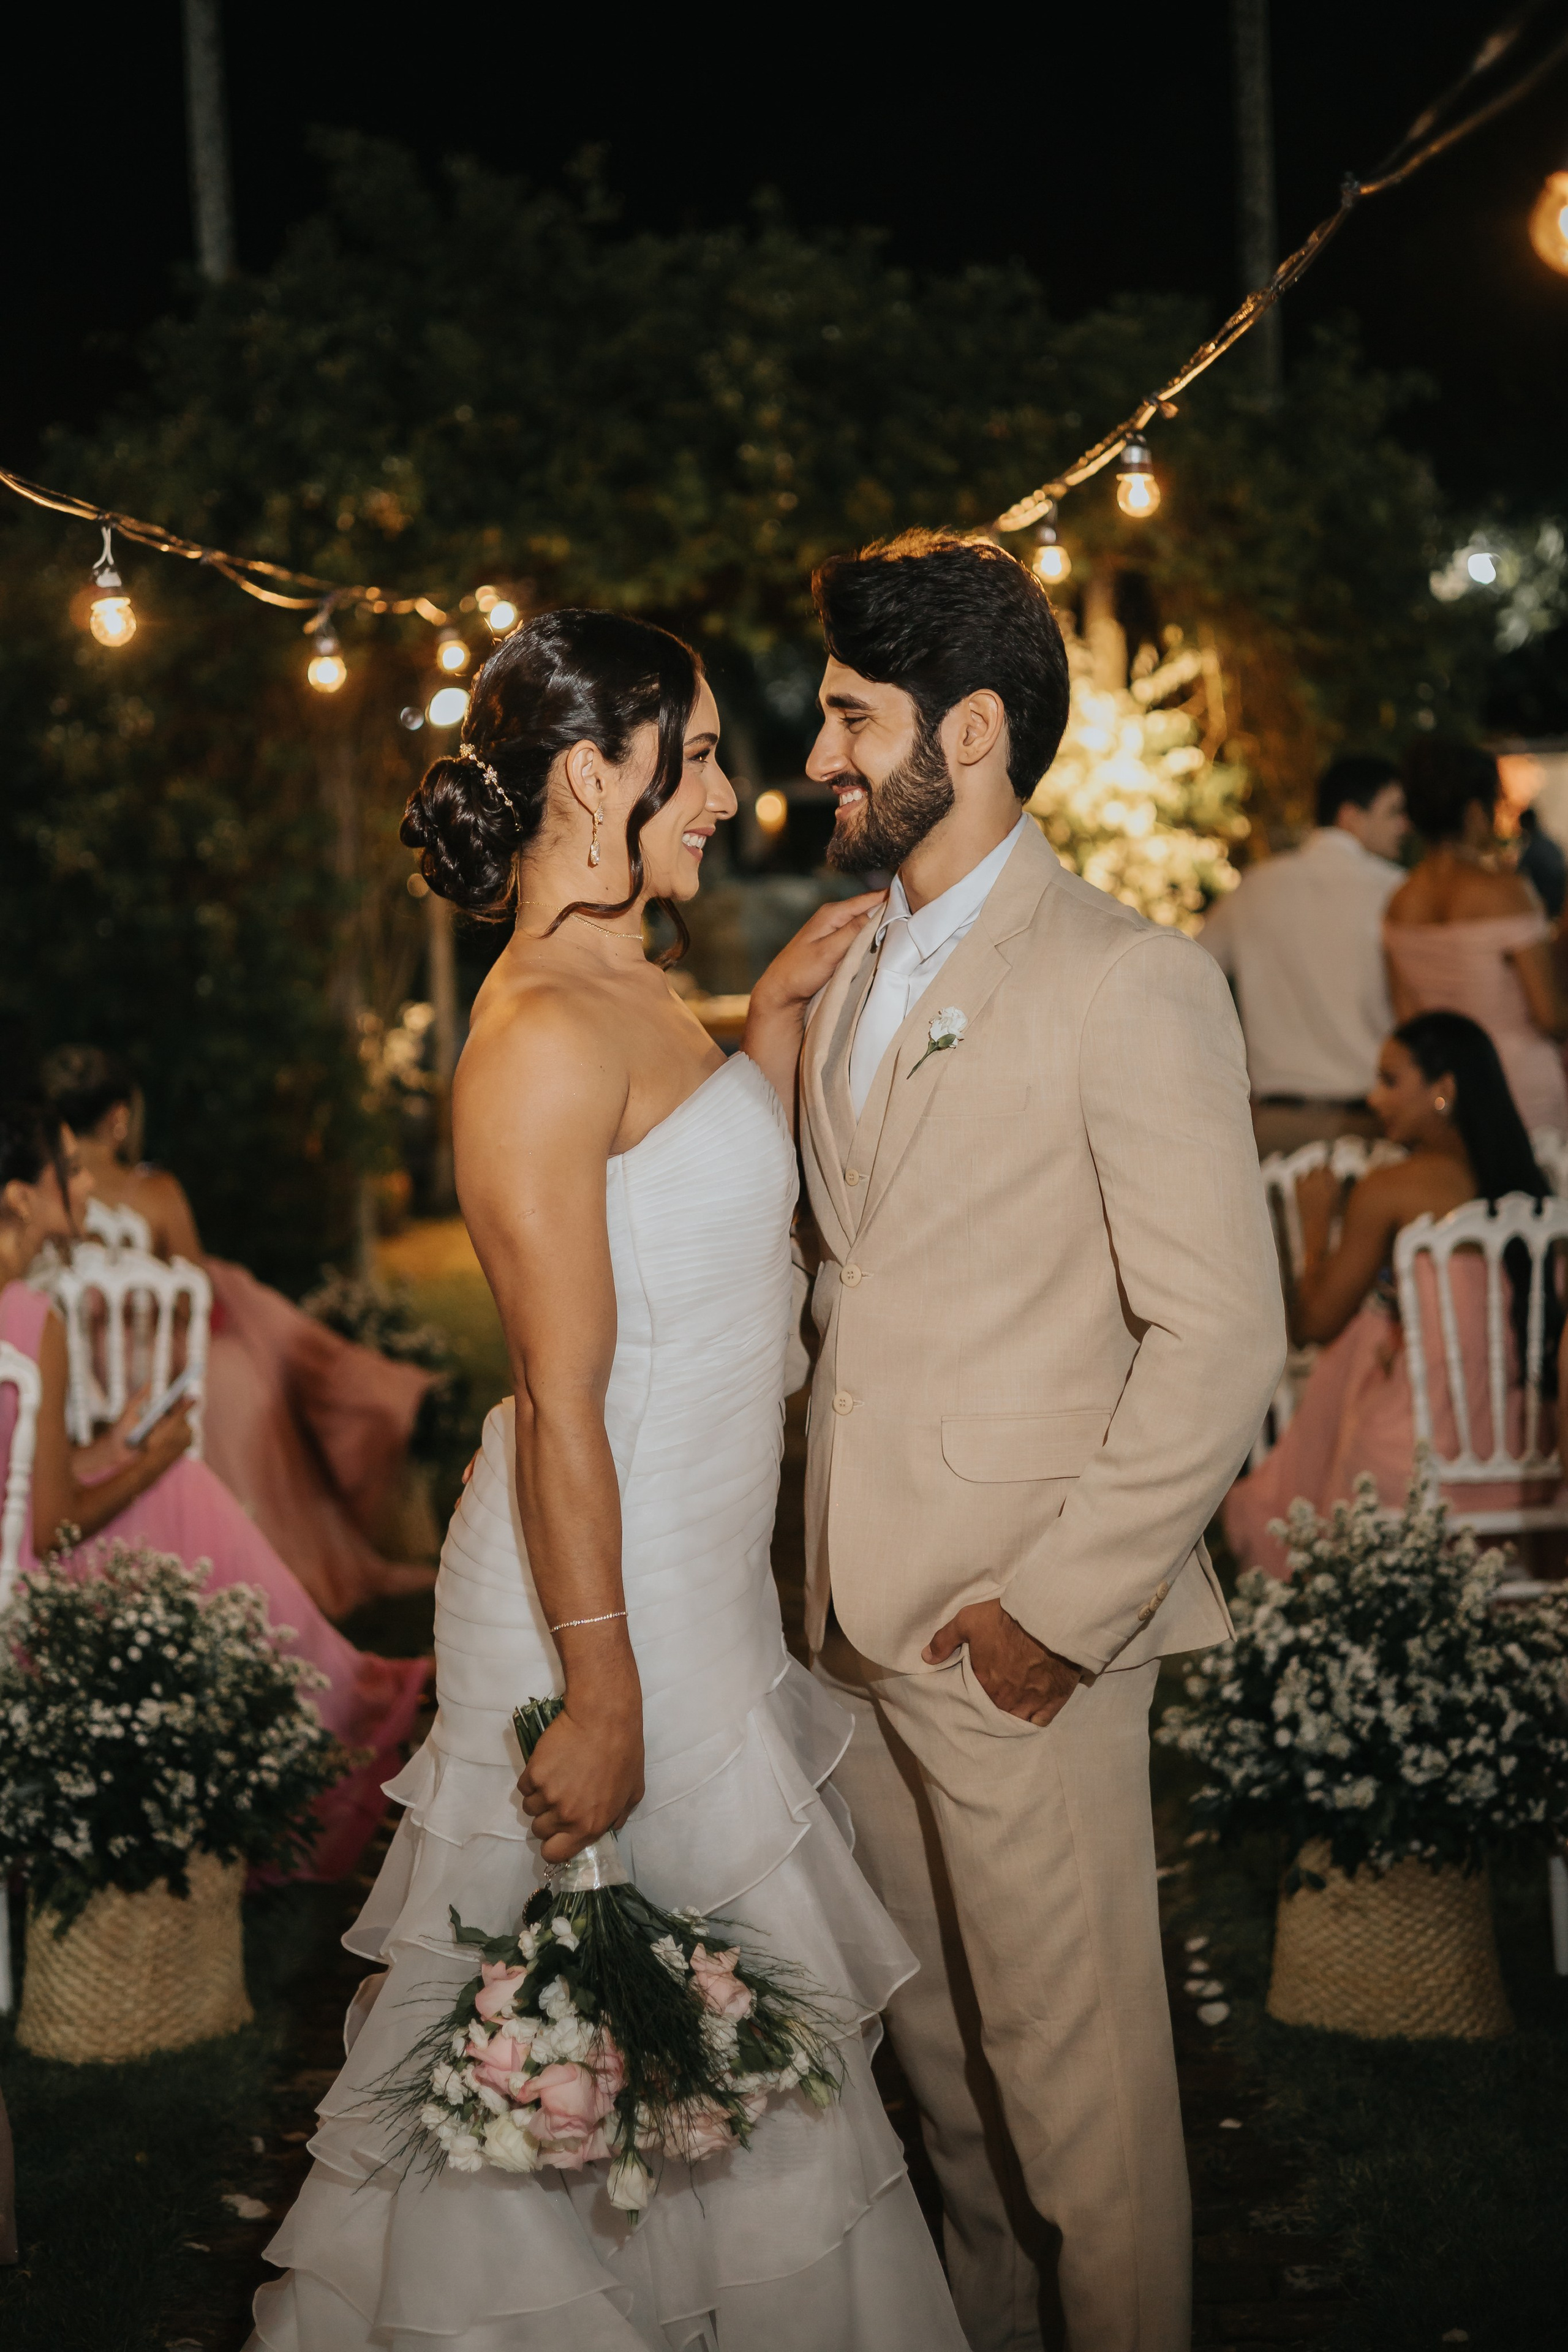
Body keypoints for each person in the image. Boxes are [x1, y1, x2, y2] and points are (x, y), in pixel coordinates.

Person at [251, 611, 968, 2352]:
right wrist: (606, 1686)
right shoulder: (539, 1039)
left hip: (688, 1581)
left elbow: (696, 1220)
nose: (729, 794)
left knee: (697, 2063)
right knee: (570, 2073)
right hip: (608, 1598)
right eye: (699, 756)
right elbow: (562, 1401)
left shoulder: (628, 985)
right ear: (596, 770)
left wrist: (773, 1029)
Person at [742, 530, 1284, 2352]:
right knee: (953, 2093)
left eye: (845, 715)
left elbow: (1219, 1334)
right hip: (850, 1632)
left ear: (964, 728)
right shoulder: (831, 969)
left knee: (1083, 2104)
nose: (817, 754)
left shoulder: (1128, 979)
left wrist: (1052, 1608)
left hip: (1014, 1638)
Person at [0, 1088, 430, 1878]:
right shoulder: (31, 1315)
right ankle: (312, 1724)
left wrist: (109, 1440)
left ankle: (313, 1706)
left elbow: (21, 1472)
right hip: (21, 1587)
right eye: (67, 1172)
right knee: (181, 1490)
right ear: (21, 1198)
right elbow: (51, 1528)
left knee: (175, 1490)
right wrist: (152, 1460)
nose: (87, 1186)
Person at [40, 1046, 435, 1620]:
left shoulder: (41, 1199)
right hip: (153, 1384)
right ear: (119, 1118)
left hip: (74, 1386)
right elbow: (195, 1289)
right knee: (240, 1343)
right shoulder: (156, 1192)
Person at [1224, 1011, 1562, 1580]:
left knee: (1347, 1364)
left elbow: (1314, 1324)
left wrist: (1313, 1228)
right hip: (1533, 1451)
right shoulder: (1532, 1186)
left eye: (1390, 1080)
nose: (1374, 1097)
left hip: (1418, 1454)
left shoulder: (1392, 1189)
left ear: (1443, 1091)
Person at [1197, 753, 1409, 1157]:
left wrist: (1225, 1077)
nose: (1405, 826)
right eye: (1394, 811)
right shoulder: (1396, 891)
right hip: (1372, 1124)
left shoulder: (1254, 889)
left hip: (1277, 1128)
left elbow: (1186, 974)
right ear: (1351, 817)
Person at [1384, 739, 1568, 1134]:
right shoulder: (1507, 893)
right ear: (1473, 811)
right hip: (1522, 1088)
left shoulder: (1399, 904)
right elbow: (1550, 1016)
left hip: (1450, 1093)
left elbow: (1408, 1023)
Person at [1514, 802, 1566, 922]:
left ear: (1525, 826)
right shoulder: (1551, 844)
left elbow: (1519, 874)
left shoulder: (1533, 848)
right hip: (1558, 903)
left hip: (1546, 905)